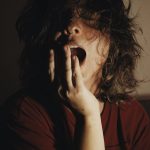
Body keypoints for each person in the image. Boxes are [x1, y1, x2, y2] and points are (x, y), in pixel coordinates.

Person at [1, 0, 150, 149]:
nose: (70, 26)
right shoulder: (23, 114)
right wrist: (89, 117)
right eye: (61, 17)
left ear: (111, 41)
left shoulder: (132, 117)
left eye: (88, 17)